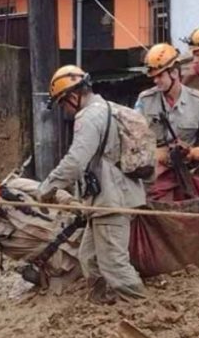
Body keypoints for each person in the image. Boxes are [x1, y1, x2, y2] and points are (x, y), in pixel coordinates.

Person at [37, 65, 147, 302]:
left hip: (111, 199)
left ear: (74, 96)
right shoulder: (106, 108)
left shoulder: (88, 116)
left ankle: (141, 308)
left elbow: (76, 160)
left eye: (63, 103)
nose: (64, 110)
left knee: (114, 265)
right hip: (105, 199)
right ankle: (101, 305)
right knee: (89, 257)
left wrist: (48, 186)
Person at [135, 42, 199, 200]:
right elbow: (133, 138)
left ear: (174, 73)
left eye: (160, 75)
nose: (155, 81)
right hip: (156, 176)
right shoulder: (145, 100)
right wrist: (154, 153)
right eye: (153, 76)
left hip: (188, 173)